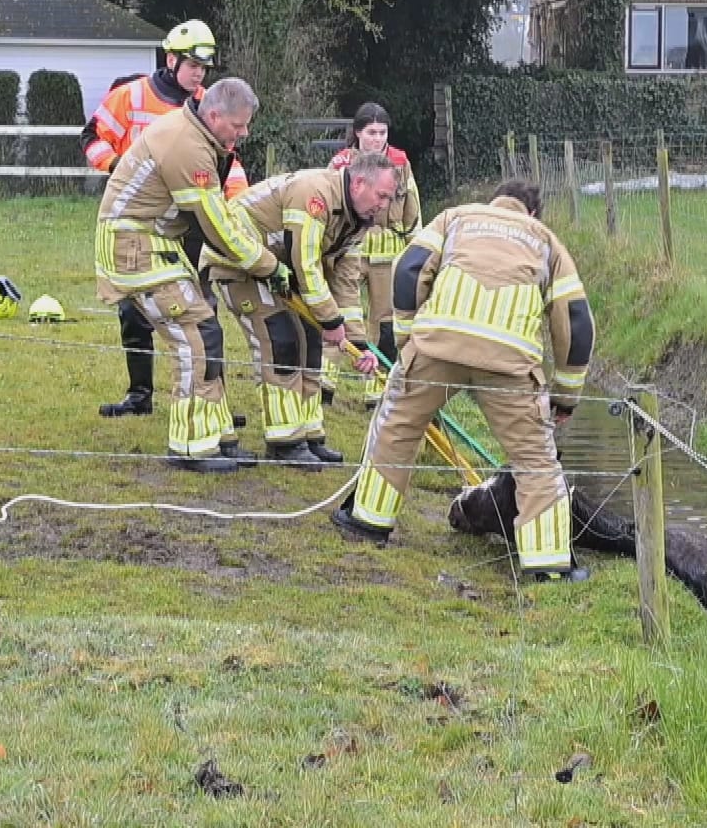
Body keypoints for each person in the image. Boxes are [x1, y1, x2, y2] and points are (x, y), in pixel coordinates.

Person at [331, 180, 595, 581]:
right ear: (533, 213)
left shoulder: (456, 218)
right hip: (510, 361)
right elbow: (575, 320)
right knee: (535, 461)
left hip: (437, 345)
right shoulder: (546, 241)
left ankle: (368, 520)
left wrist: (407, 340)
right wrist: (566, 396)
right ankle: (548, 563)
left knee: (397, 427)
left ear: (493, 202)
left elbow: (408, 270)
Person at [94, 78, 277, 473]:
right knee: (192, 334)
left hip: (152, 242)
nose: (244, 134)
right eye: (238, 125)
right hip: (135, 248)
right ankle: (191, 445)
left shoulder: (198, 136)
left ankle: (217, 435)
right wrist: (268, 265)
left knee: (207, 330)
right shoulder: (188, 146)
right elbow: (215, 225)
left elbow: (219, 215)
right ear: (214, 116)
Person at [82, 23, 248, 421]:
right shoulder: (131, 95)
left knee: (201, 309)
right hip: (140, 226)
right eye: (193, 65)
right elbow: (92, 136)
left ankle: (212, 398)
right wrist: (117, 166)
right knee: (134, 314)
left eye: (204, 68)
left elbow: (228, 160)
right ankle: (139, 394)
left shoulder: (210, 103)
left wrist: (238, 204)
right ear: (171, 59)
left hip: (190, 223)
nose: (199, 75)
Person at [208, 156, 399, 464]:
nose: (385, 206)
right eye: (382, 196)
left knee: (311, 342)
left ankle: (310, 435)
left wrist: (357, 342)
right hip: (238, 264)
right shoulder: (315, 194)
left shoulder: (358, 221)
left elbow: (344, 284)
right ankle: (284, 442)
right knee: (279, 341)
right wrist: (330, 318)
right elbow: (306, 263)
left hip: (280, 271)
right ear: (360, 183)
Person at [327, 103, 422, 408]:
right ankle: (325, 384)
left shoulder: (400, 163)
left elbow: (412, 212)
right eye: (371, 132)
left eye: (382, 132)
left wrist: (416, 253)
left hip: (387, 256)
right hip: (346, 251)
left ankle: (375, 390)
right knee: (338, 315)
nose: (377, 139)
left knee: (383, 324)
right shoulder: (342, 162)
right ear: (357, 133)